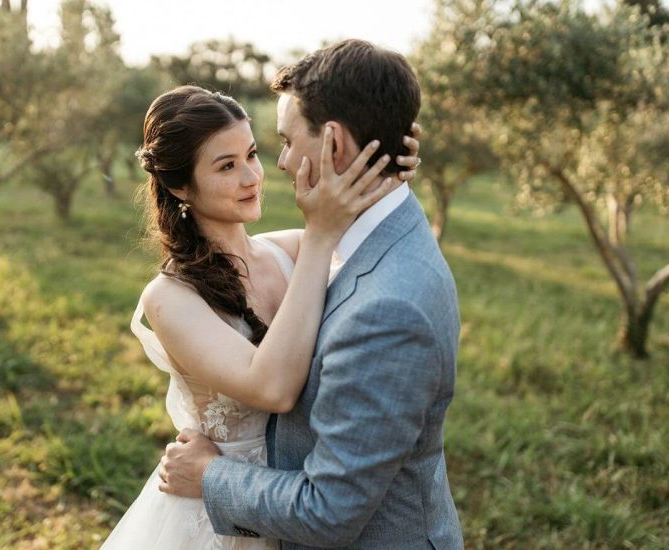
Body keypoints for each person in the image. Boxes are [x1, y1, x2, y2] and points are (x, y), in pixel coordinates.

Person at [159, 40, 464, 549]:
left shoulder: (380, 300)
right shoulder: (364, 244)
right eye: (226, 165)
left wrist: (210, 476)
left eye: (272, 145)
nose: (270, 167)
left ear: (335, 146)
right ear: (180, 185)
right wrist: (385, 158)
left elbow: (328, 509)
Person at [100, 82, 420, 549]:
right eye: (227, 166)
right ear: (178, 185)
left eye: (251, 154)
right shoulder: (170, 297)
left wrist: (394, 162)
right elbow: (272, 389)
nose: (253, 176)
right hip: (223, 513)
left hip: (307, 498)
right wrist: (319, 237)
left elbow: (372, 214)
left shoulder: (288, 249)